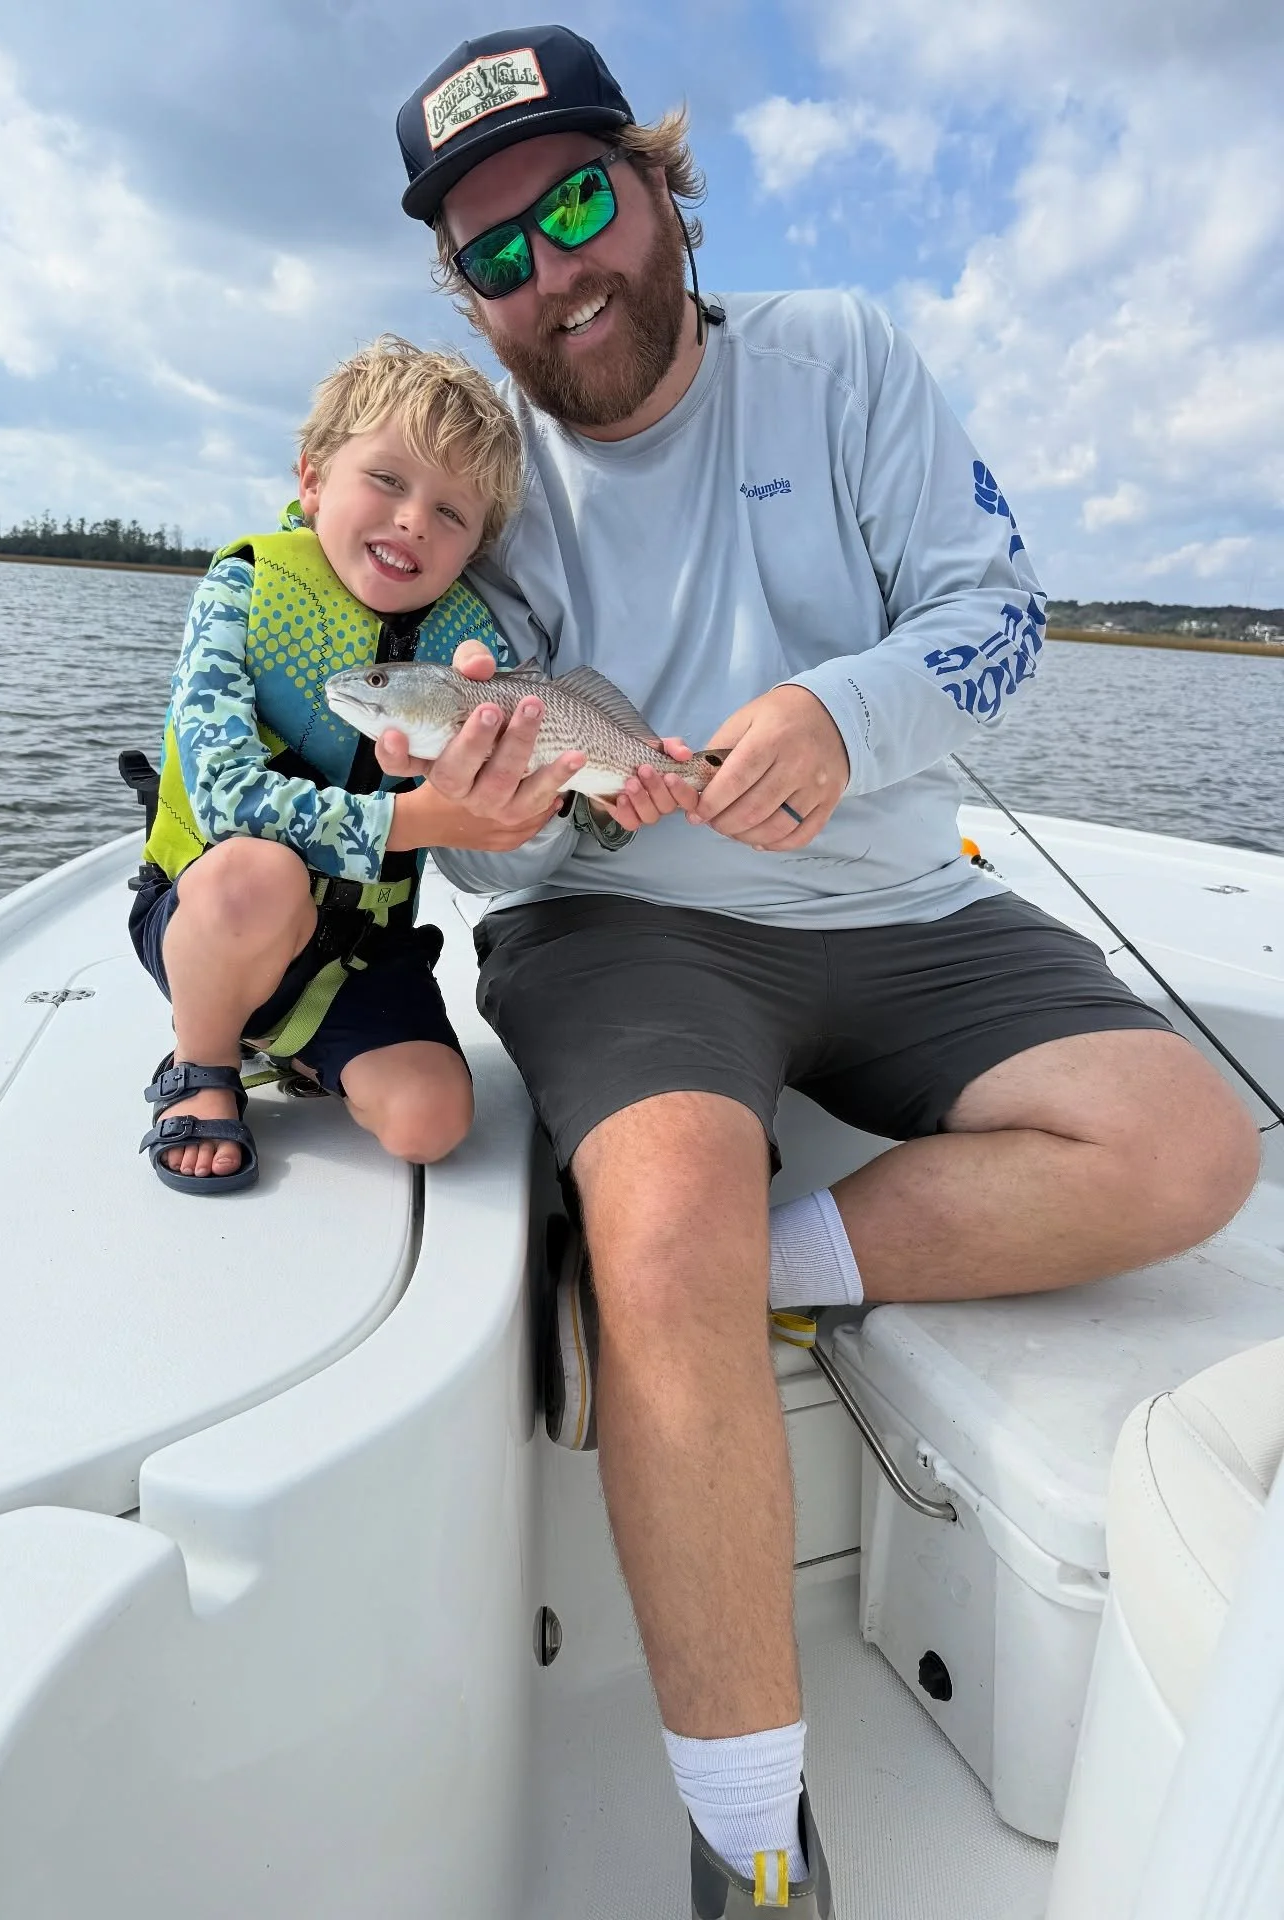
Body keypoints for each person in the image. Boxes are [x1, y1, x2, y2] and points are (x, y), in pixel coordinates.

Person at [383, 26, 1263, 1916]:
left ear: (658, 183)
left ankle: (730, 1278)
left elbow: (1003, 616)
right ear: (465, 295)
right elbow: (518, 846)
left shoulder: (844, 357)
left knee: (1191, 1145)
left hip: (898, 896)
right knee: (675, 1198)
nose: (557, 273)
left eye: (580, 205)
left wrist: (838, 718)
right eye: (494, 257)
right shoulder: (490, 486)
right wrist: (517, 813)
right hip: (622, 920)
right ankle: (757, 1847)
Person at [129, 336, 571, 1194]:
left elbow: (509, 824)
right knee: (251, 876)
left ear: (475, 544)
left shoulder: (473, 651)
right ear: (313, 478)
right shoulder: (243, 589)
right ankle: (204, 1062)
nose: (414, 519)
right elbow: (222, 799)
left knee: (432, 1124)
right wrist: (416, 822)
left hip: (363, 953)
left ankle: (293, 1049)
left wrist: (568, 797)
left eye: (452, 513)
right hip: (218, 914)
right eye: (388, 480)